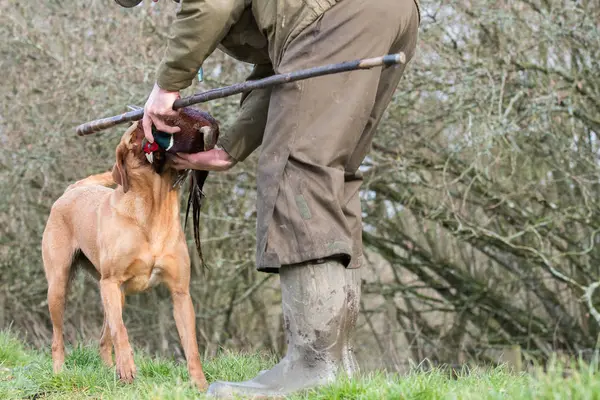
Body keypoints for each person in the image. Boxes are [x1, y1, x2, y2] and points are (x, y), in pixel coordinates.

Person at [115, 0, 420, 396]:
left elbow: (212, 4)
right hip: (384, 14)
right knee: (330, 175)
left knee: (298, 174)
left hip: (335, 18)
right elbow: (283, 67)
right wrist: (229, 147)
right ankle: (335, 365)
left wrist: (167, 85)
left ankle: (312, 365)